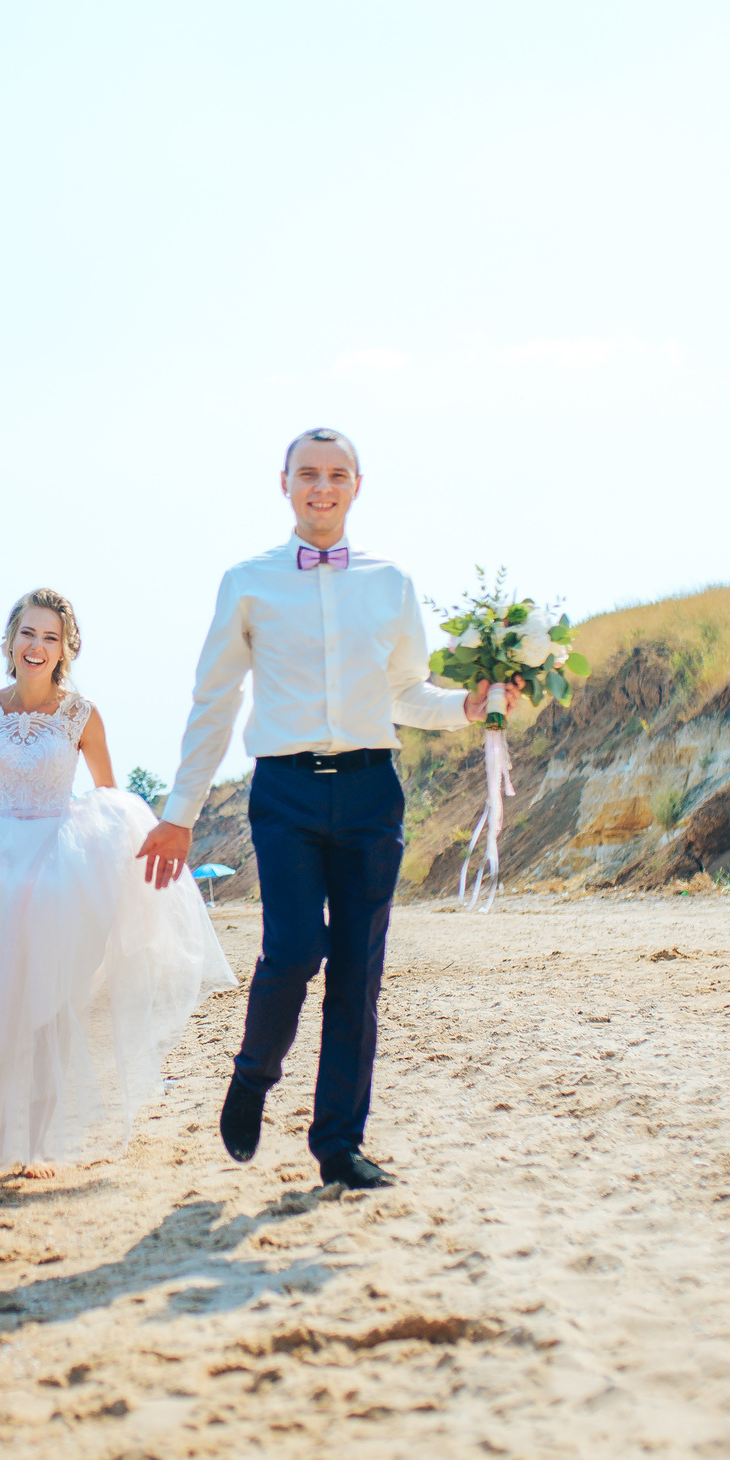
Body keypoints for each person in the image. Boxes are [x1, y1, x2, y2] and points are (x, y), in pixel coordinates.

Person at [134, 429, 503, 1190]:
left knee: (358, 971)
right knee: (296, 948)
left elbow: (406, 693)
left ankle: (339, 1144)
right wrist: (180, 812)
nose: (323, 486)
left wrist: (463, 708)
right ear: (285, 484)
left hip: (372, 791)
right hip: (286, 792)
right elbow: (214, 701)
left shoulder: (391, 582)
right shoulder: (247, 582)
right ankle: (253, 1072)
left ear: (357, 485)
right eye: (309, 473)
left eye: (337, 474)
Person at [0, 587, 233, 1174]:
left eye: (51, 637)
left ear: (66, 649)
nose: (37, 646)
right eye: (28, 633)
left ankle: (39, 1140)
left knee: (46, 1008)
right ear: (10, 640)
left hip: (57, 869)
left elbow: (108, 794)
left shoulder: (81, 715)